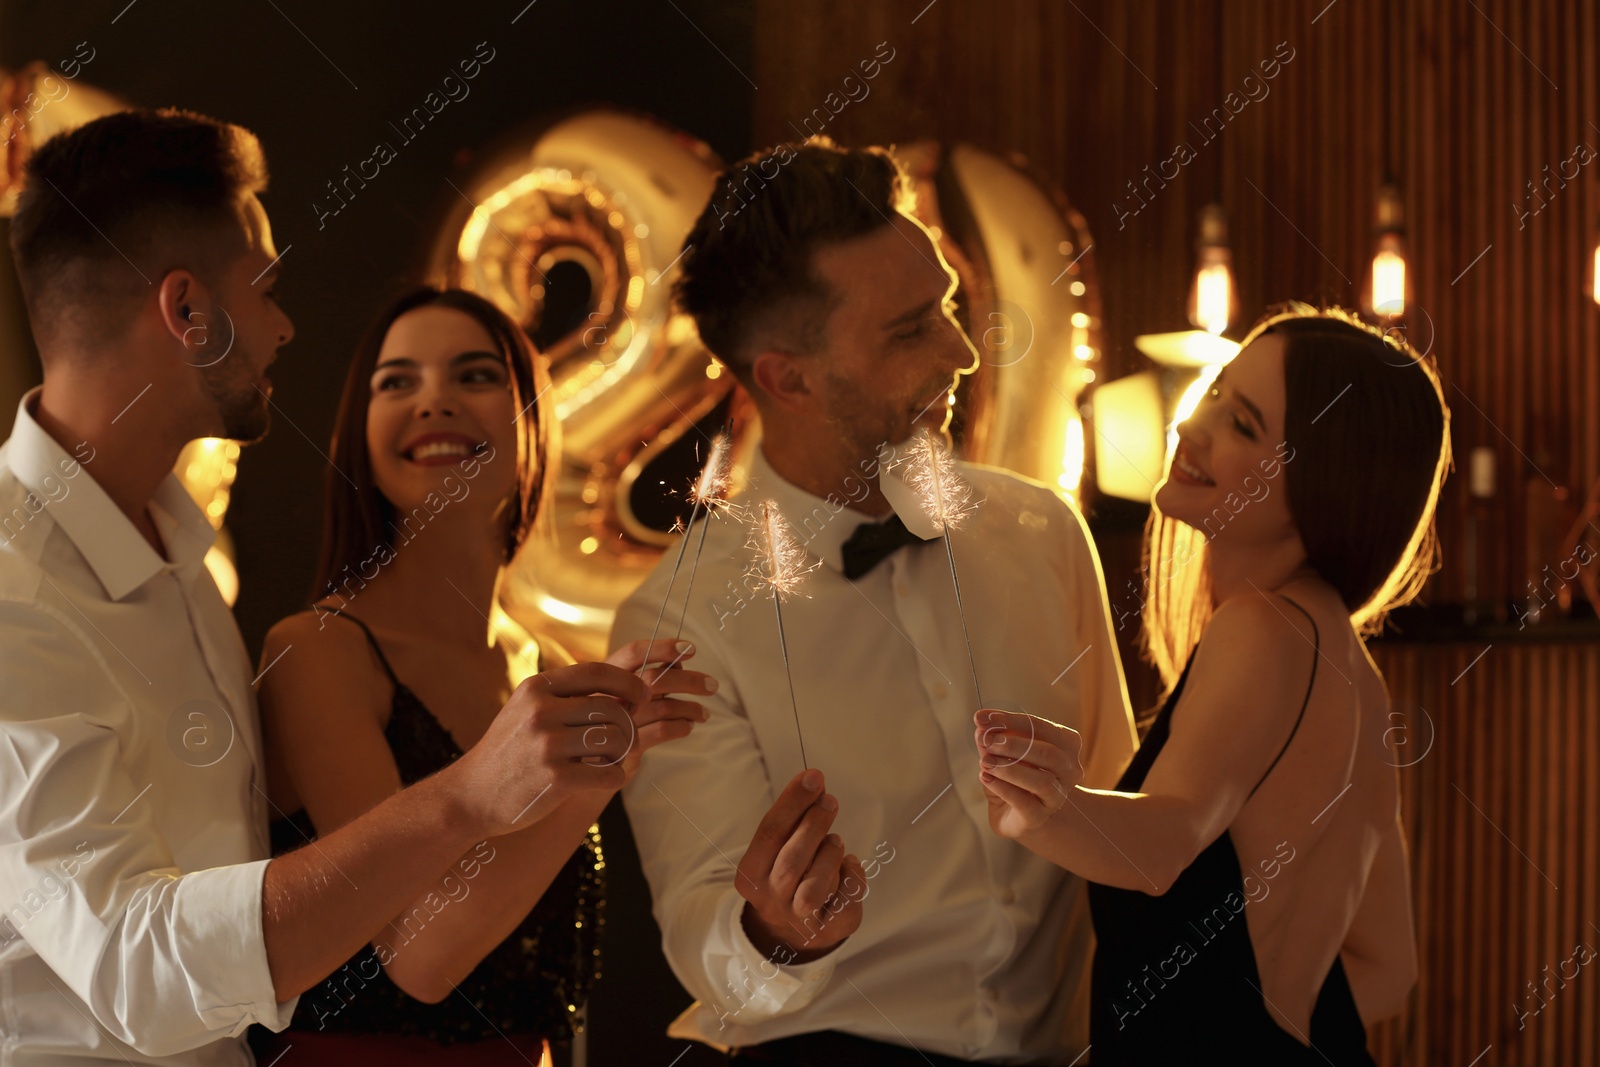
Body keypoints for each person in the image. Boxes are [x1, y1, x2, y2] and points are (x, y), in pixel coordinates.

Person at [0, 108, 668, 1066]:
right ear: (187, 312)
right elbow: (132, 965)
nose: (285, 325)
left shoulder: (187, 563)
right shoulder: (12, 587)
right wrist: (471, 797)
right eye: (265, 288)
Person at [613, 138, 1137, 1065]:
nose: (965, 352)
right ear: (790, 377)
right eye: (909, 331)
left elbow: (1124, 829)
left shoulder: (1041, 532)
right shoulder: (681, 622)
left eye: (944, 304)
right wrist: (779, 933)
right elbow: (707, 946)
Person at [253, 285, 711, 1066]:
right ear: (359, 433)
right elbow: (422, 957)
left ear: (535, 419)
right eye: (397, 381)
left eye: (473, 376)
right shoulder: (317, 651)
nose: (433, 402)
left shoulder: (548, 665)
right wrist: (601, 769)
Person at [977, 307, 1447, 1064]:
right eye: (1217, 393)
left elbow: (1162, 844)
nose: (1192, 426)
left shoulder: (1261, 629)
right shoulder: (1352, 670)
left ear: (1323, 480)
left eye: (1245, 425)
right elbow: (1390, 965)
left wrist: (1042, 805)